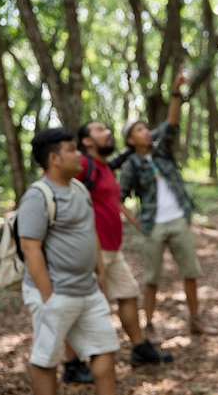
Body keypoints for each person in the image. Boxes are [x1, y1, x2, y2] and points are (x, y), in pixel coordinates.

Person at [119, 67, 218, 344]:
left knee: (190, 271)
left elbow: (172, 122)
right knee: (152, 278)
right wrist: (136, 223)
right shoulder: (131, 165)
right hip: (153, 225)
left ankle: (195, 319)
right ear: (130, 139)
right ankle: (149, 324)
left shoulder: (161, 150)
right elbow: (119, 197)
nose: (145, 131)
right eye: (139, 130)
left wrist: (176, 90)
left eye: (145, 127)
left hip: (178, 219)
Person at [18, 128, 119, 395]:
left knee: (104, 350)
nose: (79, 155)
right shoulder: (38, 196)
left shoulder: (79, 189)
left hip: (87, 290)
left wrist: (100, 272)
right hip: (55, 293)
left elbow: (90, 232)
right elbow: (30, 247)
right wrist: (47, 294)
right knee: (46, 359)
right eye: (72, 150)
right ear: (55, 159)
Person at [73, 121, 174, 367]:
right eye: (99, 130)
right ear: (86, 141)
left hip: (112, 248)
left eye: (108, 129)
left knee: (128, 294)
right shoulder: (82, 164)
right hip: (89, 249)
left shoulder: (104, 167)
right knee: (80, 305)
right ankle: (73, 363)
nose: (107, 132)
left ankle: (139, 348)